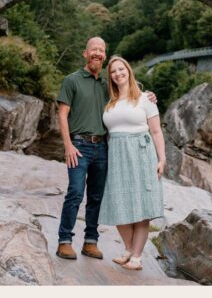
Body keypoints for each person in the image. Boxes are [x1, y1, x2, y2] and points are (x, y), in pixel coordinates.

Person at [54, 37, 155, 261]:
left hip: (103, 147)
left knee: (97, 196)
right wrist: (68, 145)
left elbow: (129, 95)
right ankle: (65, 241)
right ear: (85, 53)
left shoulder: (107, 85)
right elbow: (62, 114)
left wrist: (149, 95)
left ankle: (91, 241)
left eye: (101, 50)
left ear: (104, 56)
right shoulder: (71, 81)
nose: (97, 53)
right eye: (93, 50)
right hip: (78, 146)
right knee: (76, 192)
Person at [97, 56, 166, 271]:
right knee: (119, 203)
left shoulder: (145, 98)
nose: (118, 74)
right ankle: (127, 248)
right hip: (116, 155)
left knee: (141, 207)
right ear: (111, 77)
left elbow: (156, 130)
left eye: (121, 69)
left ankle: (136, 256)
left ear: (129, 70)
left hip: (141, 154)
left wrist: (162, 158)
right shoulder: (110, 102)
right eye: (114, 72)